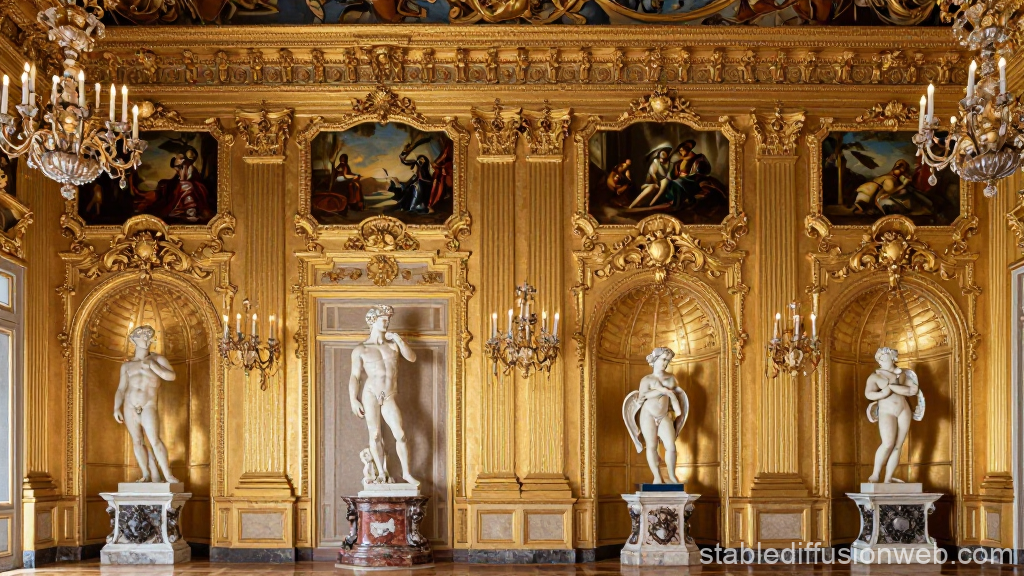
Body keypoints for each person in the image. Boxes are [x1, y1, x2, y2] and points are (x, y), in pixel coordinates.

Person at [349, 305, 420, 486]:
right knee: (374, 435)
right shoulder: (361, 349)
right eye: (383, 319)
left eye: (388, 319)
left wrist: (397, 338)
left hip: (389, 394)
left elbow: (412, 358)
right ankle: (381, 473)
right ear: (373, 321)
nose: (387, 322)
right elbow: (355, 376)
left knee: (401, 434)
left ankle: (406, 473)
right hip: (371, 394)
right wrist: (353, 399)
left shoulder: (393, 346)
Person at [113, 325, 179, 484]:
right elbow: (121, 389)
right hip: (129, 405)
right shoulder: (127, 365)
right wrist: (116, 407)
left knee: (155, 440)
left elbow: (171, 376)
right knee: (137, 441)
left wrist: (153, 366)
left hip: (148, 405)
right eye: (144, 336)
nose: (147, 339)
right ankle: (146, 474)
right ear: (133, 339)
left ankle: (167, 474)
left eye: (149, 336)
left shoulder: (158, 359)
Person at [622, 347, 689, 484]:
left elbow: (675, 395)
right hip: (648, 415)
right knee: (651, 445)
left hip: (664, 415)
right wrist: (663, 391)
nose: (665, 363)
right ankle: (657, 477)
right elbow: (642, 397)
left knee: (671, 445)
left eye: (668, 360)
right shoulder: (647, 379)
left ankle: (672, 476)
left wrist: (667, 396)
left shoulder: (671, 378)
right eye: (663, 359)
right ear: (655, 359)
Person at [865, 347, 923, 483]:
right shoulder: (875, 376)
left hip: (904, 410)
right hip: (887, 411)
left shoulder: (903, 374)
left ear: (892, 357)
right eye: (880, 358)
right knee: (887, 443)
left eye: (884, 356)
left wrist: (894, 387)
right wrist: (882, 393)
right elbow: (868, 393)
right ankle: (875, 474)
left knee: (898, 445)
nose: (881, 359)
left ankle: (888, 478)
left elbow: (913, 390)